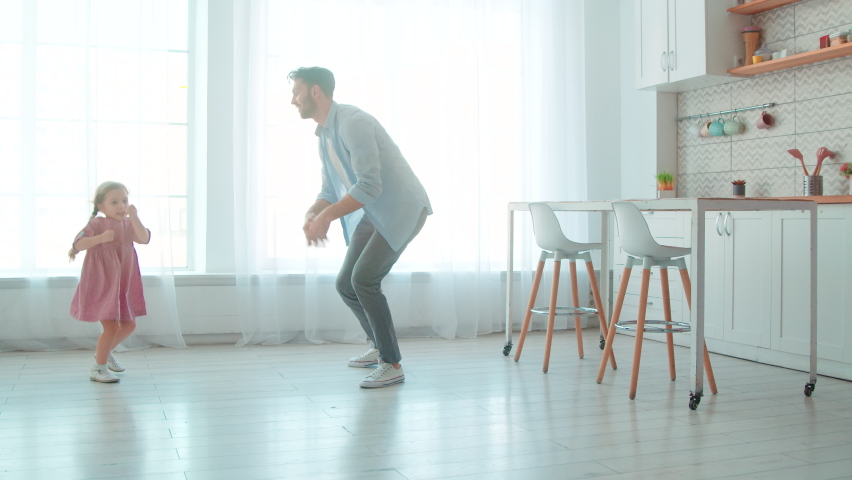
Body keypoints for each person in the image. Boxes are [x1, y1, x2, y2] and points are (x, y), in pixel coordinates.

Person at [290, 66, 432, 389]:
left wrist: (327, 218)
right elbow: (329, 191)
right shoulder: (324, 135)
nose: (292, 100)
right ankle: (378, 345)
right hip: (374, 213)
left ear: (315, 92)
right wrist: (313, 213)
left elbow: (370, 185)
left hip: (401, 209)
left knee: (364, 279)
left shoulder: (353, 123)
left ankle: (391, 362)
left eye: (296, 92)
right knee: (346, 283)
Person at [68, 181, 150, 383]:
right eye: (114, 202)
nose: (121, 206)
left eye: (124, 200)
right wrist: (101, 239)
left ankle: (103, 353)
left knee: (129, 325)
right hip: (102, 285)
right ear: (101, 207)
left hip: (122, 285)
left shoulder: (129, 224)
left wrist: (135, 216)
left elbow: (145, 238)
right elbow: (78, 243)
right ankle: (98, 368)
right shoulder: (97, 224)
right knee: (111, 327)